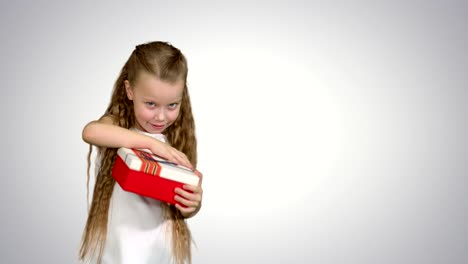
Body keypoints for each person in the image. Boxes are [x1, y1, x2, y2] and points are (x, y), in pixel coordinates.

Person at [79, 41, 203, 264]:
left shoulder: (175, 138)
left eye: (172, 105)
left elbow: (180, 203)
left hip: (161, 246)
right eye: (151, 104)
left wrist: (192, 205)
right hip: (123, 244)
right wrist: (152, 144)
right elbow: (91, 131)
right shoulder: (119, 124)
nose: (161, 117)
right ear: (130, 91)